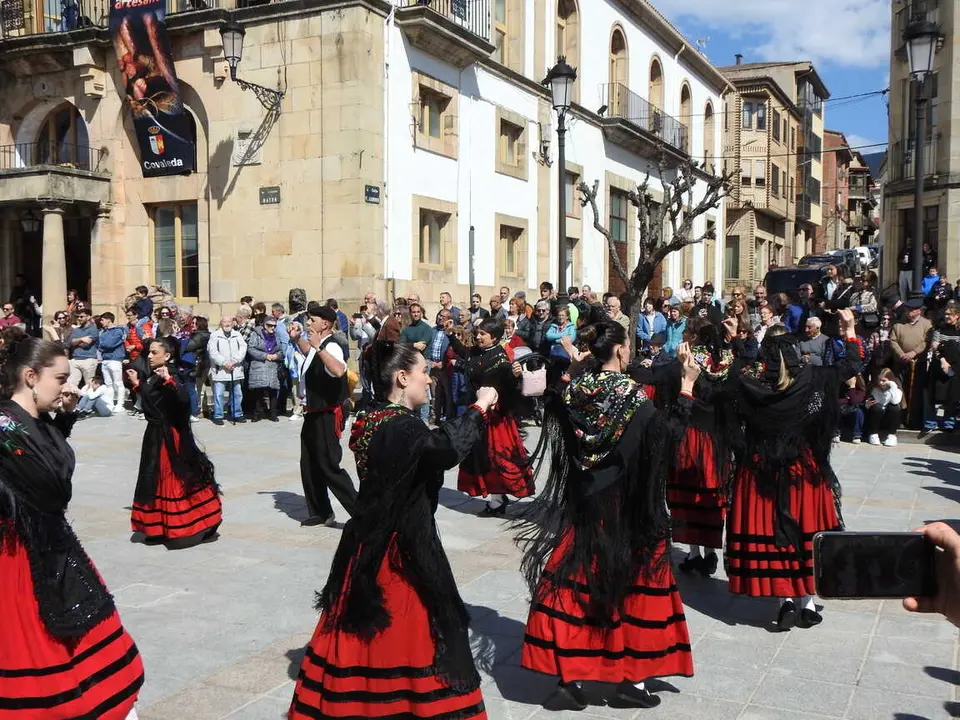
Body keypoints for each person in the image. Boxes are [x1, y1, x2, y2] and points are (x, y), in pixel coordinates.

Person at [289, 342, 496, 720]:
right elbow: (445, 449)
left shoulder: (374, 417)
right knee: (404, 635)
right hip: (400, 550)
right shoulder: (401, 425)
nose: (429, 380)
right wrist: (479, 407)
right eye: (423, 373)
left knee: (363, 635)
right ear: (402, 378)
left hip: (371, 540)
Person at [516, 323, 699, 710]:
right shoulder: (631, 395)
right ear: (619, 350)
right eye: (627, 344)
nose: (630, 350)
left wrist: (571, 373)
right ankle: (631, 679)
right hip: (627, 507)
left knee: (575, 583)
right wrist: (687, 388)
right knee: (634, 589)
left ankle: (571, 678)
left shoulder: (577, 389)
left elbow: (554, 407)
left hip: (586, 503)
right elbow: (666, 438)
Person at [0, 334, 144, 717]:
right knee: (38, 641)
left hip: (54, 543)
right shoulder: (4, 426)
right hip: (22, 554)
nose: (69, 387)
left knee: (84, 628)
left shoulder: (35, 420)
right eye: (61, 379)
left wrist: (62, 417)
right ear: (31, 377)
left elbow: (48, 463)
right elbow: (49, 482)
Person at [724, 309, 862, 629]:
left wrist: (734, 339)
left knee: (773, 534)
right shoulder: (812, 379)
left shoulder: (752, 384)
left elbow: (728, 374)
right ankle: (807, 603)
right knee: (805, 531)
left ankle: (784, 599)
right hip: (803, 470)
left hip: (761, 471)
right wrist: (850, 330)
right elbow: (851, 366)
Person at [128, 337, 221, 548]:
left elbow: (184, 402)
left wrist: (169, 381)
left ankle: (191, 522)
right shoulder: (154, 375)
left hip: (170, 438)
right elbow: (154, 402)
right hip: (155, 435)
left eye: (154, 352)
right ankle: (156, 526)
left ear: (167, 356)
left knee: (174, 479)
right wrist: (137, 385)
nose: (149, 356)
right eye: (149, 352)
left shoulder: (172, 375)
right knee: (154, 479)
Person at [446, 317, 531, 515]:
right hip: (479, 413)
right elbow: (463, 351)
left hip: (495, 419)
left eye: (482, 334)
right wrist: (451, 335)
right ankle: (497, 498)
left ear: (494, 338)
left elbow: (509, 385)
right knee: (481, 457)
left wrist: (515, 376)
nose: (478, 337)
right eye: (477, 333)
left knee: (495, 458)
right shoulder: (477, 351)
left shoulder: (500, 358)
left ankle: (497, 501)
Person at [291, 305, 357, 527]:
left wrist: (318, 347)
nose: (308, 323)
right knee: (309, 464)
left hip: (327, 415)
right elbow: (309, 354)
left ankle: (362, 513)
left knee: (329, 465)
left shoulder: (332, 345)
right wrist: (298, 339)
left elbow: (338, 370)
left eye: (313, 320)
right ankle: (321, 512)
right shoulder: (318, 345)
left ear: (325, 324)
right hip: (313, 413)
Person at [207, 316, 247, 425]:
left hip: (235, 369)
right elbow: (212, 352)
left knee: (237, 394)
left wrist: (234, 360)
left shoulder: (237, 335)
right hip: (220, 370)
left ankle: (237, 414)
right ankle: (218, 415)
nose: (227, 324)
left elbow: (243, 348)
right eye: (225, 321)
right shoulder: (215, 335)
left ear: (232, 323)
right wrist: (224, 363)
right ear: (221, 323)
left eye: (229, 321)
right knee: (219, 394)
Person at [246, 317, 283, 422]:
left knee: (273, 390)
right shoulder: (256, 334)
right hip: (259, 365)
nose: (272, 328)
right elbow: (251, 348)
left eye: (274, 326)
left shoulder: (277, 336)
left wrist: (277, 356)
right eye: (270, 325)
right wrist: (265, 356)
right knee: (259, 390)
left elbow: (281, 350)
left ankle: (273, 413)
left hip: (273, 365)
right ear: (264, 325)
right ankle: (257, 413)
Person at [865, 369, 903, 447]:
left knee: (894, 407)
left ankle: (892, 436)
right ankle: (873, 434)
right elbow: (868, 405)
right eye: (879, 380)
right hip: (877, 419)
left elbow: (895, 401)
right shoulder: (875, 390)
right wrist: (868, 404)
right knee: (877, 407)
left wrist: (892, 386)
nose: (881, 383)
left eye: (883, 381)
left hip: (889, 420)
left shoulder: (897, 391)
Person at [99, 312, 127, 413]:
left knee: (118, 383)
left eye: (102, 320)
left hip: (115, 359)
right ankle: (110, 403)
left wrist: (103, 345)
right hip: (105, 359)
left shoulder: (118, 331)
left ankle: (120, 404)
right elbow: (99, 345)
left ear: (109, 320)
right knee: (108, 384)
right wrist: (103, 345)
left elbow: (109, 344)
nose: (101, 322)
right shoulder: (103, 332)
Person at [68, 307, 99, 388]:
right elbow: (70, 342)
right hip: (75, 360)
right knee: (71, 384)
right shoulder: (76, 330)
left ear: (88, 317)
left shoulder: (93, 329)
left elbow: (86, 344)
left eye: (81, 316)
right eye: (77, 317)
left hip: (88, 359)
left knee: (89, 385)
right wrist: (82, 339)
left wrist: (76, 341)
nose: (79, 318)